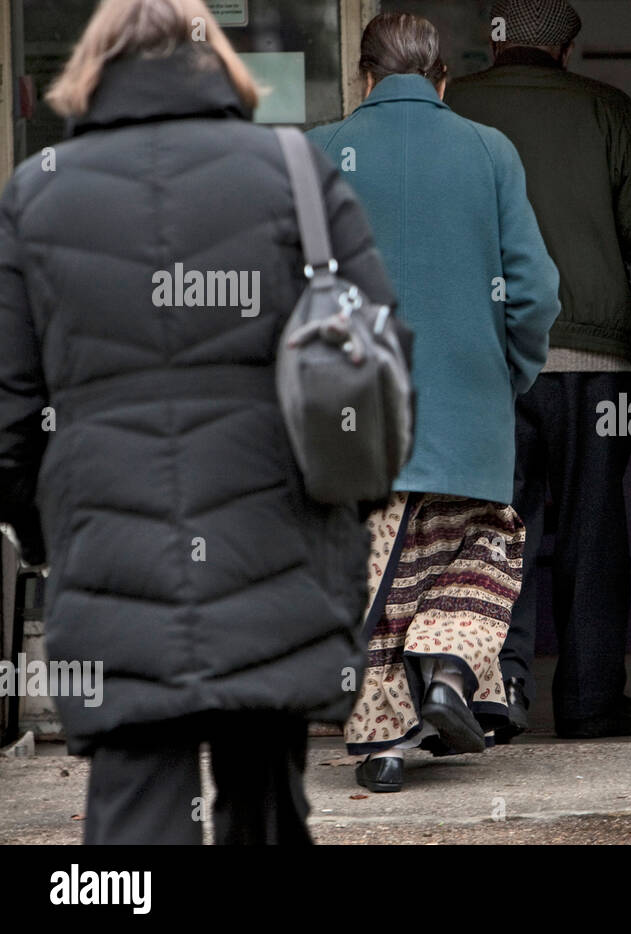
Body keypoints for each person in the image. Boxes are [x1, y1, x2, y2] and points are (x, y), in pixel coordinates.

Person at [0, 0, 396, 843]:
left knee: (133, 822)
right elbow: (383, 369)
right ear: (214, 56)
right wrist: (341, 515)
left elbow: (7, 415)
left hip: (112, 558)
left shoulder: (35, 195)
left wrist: (55, 534)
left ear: (95, 67)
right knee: (265, 806)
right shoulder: (297, 173)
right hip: (278, 550)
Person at [307, 12, 561, 792]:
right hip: (468, 410)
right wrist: (508, 372)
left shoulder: (318, 155)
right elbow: (536, 290)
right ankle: (449, 674)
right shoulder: (490, 151)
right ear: (443, 78)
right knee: (479, 550)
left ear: (365, 77)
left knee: (379, 582)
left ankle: (382, 747)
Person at [447, 0, 631, 741]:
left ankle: (491, 698)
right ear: (569, 50)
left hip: (483, 361)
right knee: (592, 530)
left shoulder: (455, 104)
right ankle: (588, 703)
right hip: (591, 359)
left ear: (493, 41)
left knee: (488, 531)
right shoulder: (609, 109)